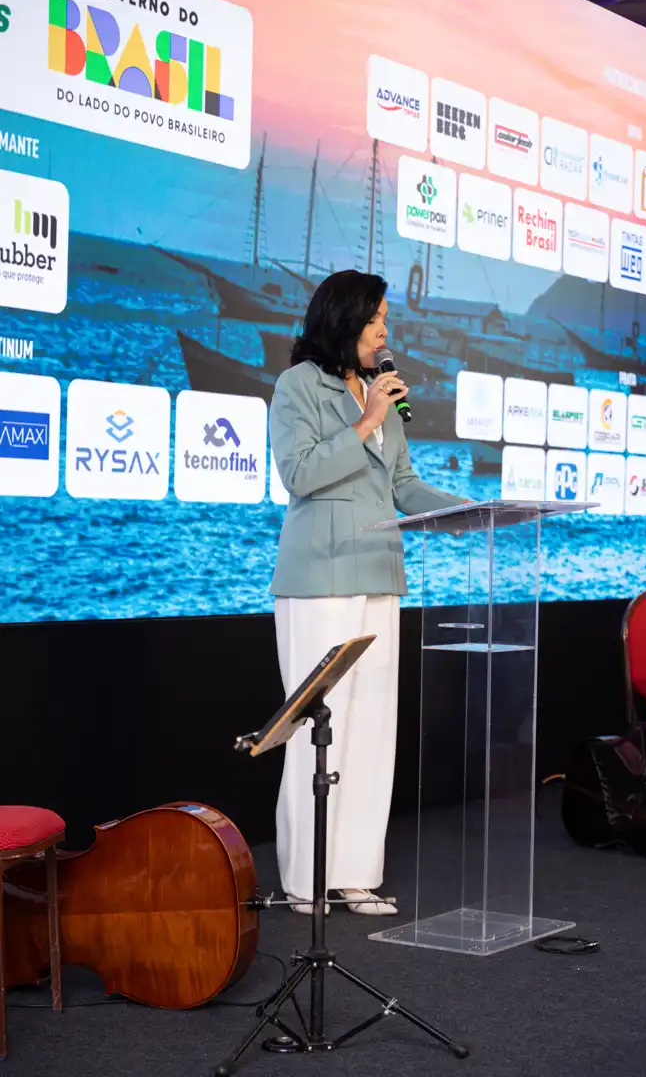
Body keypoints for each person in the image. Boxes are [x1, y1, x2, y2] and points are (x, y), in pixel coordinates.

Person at [269, 269, 467, 915]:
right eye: (376, 318)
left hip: (381, 573)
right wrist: (367, 420)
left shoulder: (378, 390)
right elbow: (300, 473)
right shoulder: (300, 385)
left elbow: (403, 485)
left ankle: (354, 874)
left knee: (373, 729)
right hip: (321, 577)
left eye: (385, 319)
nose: (385, 331)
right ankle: (305, 880)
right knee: (317, 728)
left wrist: (467, 511)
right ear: (345, 318)